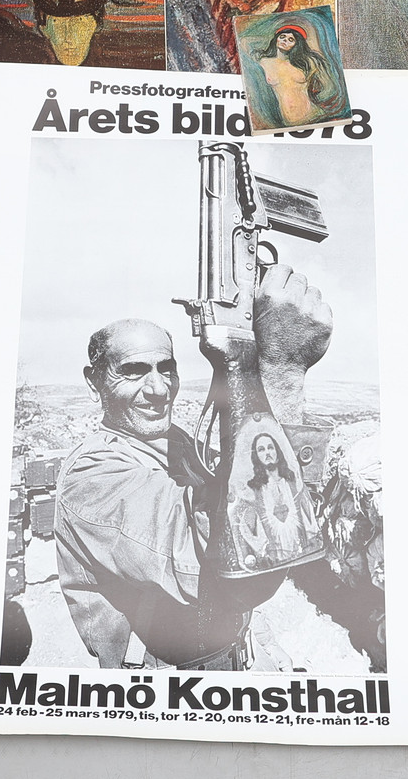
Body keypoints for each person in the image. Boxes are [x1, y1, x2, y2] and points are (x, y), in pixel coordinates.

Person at [53, 263, 332, 670]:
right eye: (133, 372)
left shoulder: (177, 443)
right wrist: (280, 373)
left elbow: (264, 524)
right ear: (94, 383)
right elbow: (233, 560)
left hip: (233, 655)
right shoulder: (91, 476)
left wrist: (261, 643)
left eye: (167, 369)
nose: (158, 389)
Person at [233, 432, 319, 571]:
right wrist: (261, 551)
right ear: (256, 457)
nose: (267, 453)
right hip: (273, 563)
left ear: (277, 453)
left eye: (270, 447)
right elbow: (244, 527)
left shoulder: (292, 482)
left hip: (301, 556)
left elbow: (308, 515)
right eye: (261, 450)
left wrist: (311, 540)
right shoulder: (254, 490)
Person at [254, 23, 348, 126]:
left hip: (315, 115)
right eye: (282, 37)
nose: (285, 41)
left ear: (297, 44)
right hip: (287, 121)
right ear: (276, 39)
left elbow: (327, 85)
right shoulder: (264, 62)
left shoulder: (306, 63)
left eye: (291, 40)